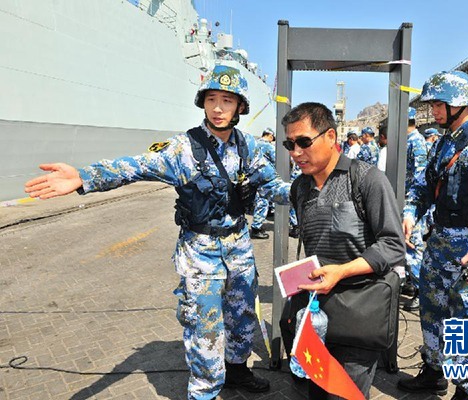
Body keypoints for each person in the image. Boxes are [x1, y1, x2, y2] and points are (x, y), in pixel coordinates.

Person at [24, 65, 290, 400]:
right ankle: (205, 391)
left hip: (238, 247)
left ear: (239, 106)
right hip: (201, 251)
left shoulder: (247, 147)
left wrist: (307, 191)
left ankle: (237, 371)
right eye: (211, 99)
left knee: (242, 314)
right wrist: (84, 177)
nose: (218, 108)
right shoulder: (183, 149)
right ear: (203, 102)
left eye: (227, 100)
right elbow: (134, 167)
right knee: (205, 326)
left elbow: (272, 185)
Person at [397, 71, 468, 400]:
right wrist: (410, 213)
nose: (433, 111)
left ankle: (466, 390)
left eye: (439, 104)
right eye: (432, 104)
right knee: (432, 310)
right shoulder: (443, 143)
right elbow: (424, 185)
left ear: (459, 103)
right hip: (439, 244)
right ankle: (433, 372)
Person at [281, 102, 405, 399]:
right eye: (289, 144)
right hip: (316, 314)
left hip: (358, 311)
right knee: (316, 391)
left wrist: (342, 271)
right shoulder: (299, 187)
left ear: (331, 136)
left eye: (303, 142)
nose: (295, 152)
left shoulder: (366, 180)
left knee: (345, 393)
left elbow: (393, 245)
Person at [403, 107, 429, 312]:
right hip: (405, 202)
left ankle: (423, 293)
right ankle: (415, 284)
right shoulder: (408, 140)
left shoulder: (416, 142)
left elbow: (420, 178)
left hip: (412, 204)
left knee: (412, 248)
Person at [250, 128, 276, 239]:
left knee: (259, 200)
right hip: (264, 177)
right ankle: (256, 228)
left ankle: (262, 219)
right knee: (262, 202)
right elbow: (277, 160)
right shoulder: (268, 146)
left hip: (254, 177)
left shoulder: (254, 143)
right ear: (270, 135)